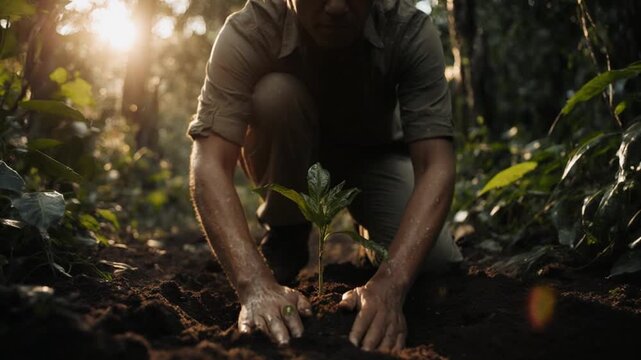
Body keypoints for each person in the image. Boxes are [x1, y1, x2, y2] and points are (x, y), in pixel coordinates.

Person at [188, 0, 462, 352]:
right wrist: (253, 283)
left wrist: (392, 284)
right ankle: (286, 235)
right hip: (291, 153)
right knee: (275, 96)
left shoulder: (407, 29)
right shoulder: (250, 29)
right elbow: (209, 161)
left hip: (372, 158)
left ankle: (374, 243)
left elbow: (435, 163)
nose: (335, 7)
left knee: (435, 261)